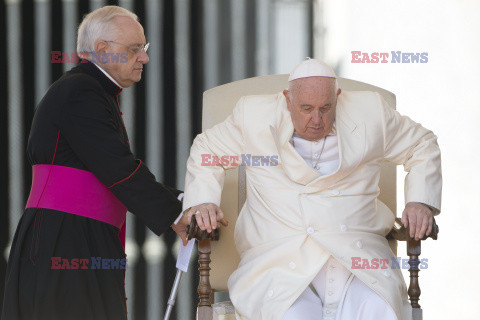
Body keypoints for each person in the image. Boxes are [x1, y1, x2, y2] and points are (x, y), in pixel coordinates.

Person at [181, 58, 442, 320]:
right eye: (306, 108)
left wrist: (419, 201)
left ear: (338, 97)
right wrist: (203, 201)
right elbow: (207, 150)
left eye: (325, 108)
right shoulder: (254, 116)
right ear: (287, 99)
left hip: (357, 260)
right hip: (279, 262)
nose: (316, 120)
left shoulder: (371, 111)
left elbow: (422, 144)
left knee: (379, 310)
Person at [2, 6, 192, 320]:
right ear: (102, 50)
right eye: (134, 49)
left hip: (79, 238)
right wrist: (178, 210)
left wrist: (181, 203)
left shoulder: (93, 90)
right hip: (64, 242)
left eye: (143, 49)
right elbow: (118, 166)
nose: (143, 58)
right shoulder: (81, 91)